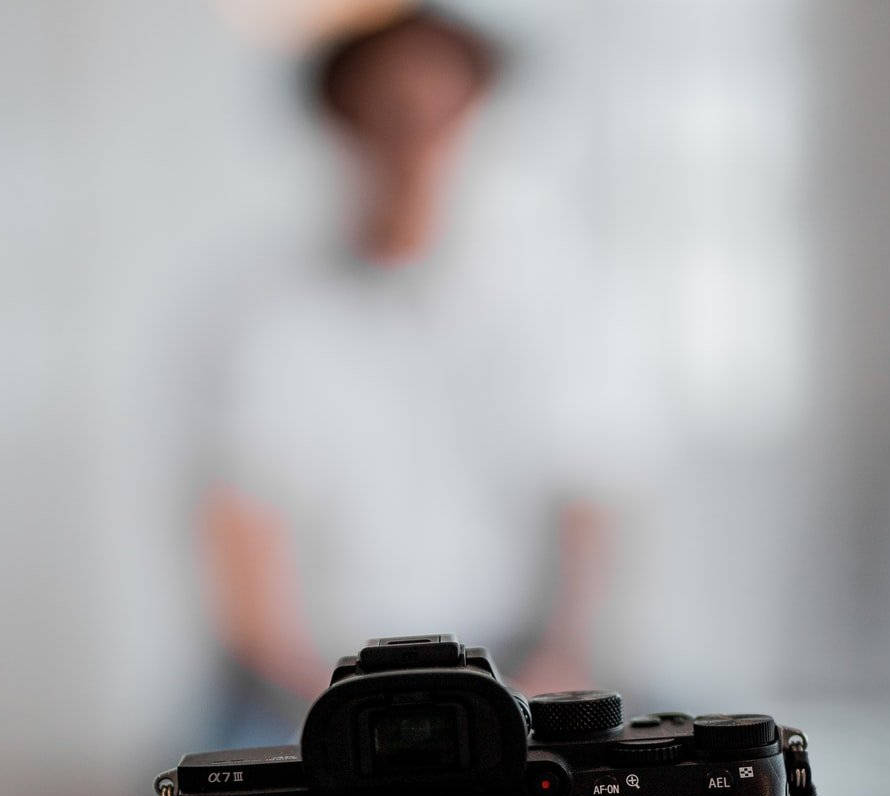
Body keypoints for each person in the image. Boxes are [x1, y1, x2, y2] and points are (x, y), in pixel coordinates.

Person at [196, 5, 616, 747]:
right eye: (392, 111)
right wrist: (338, 712)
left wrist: (557, 665)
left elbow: (589, 505)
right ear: (343, 118)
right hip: (315, 679)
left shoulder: (557, 291)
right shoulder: (261, 306)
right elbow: (243, 553)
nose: (417, 137)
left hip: (514, 667)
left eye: (440, 110)